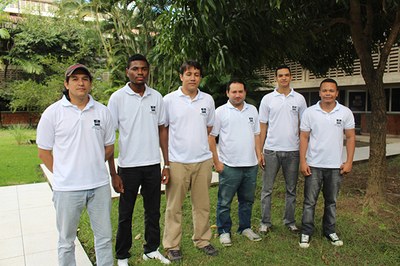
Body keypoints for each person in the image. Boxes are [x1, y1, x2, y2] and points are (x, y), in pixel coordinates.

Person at [36, 64, 115, 266]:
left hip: (99, 186)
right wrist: (63, 172)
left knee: (104, 238)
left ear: (90, 84)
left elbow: (109, 147)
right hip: (67, 189)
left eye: (85, 79)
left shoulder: (103, 112)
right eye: (75, 79)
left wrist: (93, 162)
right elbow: (44, 152)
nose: (81, 83)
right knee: (66, 241)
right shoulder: (53, 113)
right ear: (66, 83)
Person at [107, 54, 170, 265]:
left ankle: (151, 249)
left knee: (153, 211)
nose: (140, 72)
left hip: (152, 164)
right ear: (127, 72)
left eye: (143, 68)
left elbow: (162, 130)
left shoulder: (157, 97)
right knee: (126, 213)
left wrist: (166, 164)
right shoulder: (117, 98)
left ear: (148, 71)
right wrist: (113, 172)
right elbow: (109, 136)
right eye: (135, 69)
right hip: (128, 167)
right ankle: (122, 255)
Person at [162, 60, 218, 262]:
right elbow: (164, 130)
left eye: (196, 74)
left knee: (202, 205)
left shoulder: (208, 100)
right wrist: (167, 162)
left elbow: (209, 128)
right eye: (188, 74)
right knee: (173, 207)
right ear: (181, 76)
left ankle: (202, 240)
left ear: (200, 77)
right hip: (177, 161)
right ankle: (172, 245)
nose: (193, 77)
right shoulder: (168, 100)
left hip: (203, 161)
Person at [298, 78, 355, 248]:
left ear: (337, 93)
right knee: (309, 201)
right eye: (325, 90)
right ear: (319, 92)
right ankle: (306, 232)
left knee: (331, 201)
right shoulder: (309, 112)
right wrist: (303, 161)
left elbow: (351, 137)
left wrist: (349, 161)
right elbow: (304, 137)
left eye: (331, 90)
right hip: (314, 165)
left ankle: (329, 230)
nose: (328, 93)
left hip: (335, 166)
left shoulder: (345, 112)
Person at [209, 79, 263, 247]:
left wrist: (259, 155)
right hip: (229, 165)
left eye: (240, 92)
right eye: (234, 92)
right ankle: (224, 231)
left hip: (250, 165)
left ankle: (245, 227)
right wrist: (216, 162)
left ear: (245, 93)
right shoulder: (220, 112)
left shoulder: (252, 110)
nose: (237, 95)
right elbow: (211, 137)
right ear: (227, 93)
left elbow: (256, 135)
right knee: (224, 202)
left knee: (247, 200)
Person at [259, 65, 307, 234]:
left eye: (286, 75)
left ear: (291, 77)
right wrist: (260, 152)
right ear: (276, 78)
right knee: (267, 189)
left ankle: (290, 221)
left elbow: (304, 128)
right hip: (271, 150)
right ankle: (265, 222)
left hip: (293, 151)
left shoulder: (299, 99)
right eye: (280, 75)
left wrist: (303, 153)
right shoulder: (267, 99)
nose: (284, 78)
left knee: (291, 189)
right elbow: (262, 127)